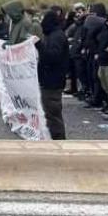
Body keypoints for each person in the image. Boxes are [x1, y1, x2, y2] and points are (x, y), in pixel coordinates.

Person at [37, 10, 69, 139]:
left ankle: (58, 138)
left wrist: (39, 46)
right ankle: (55, 135)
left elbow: (52, 57)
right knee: (50, 110)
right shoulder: (54, 35)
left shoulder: (56, 37)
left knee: (52, 111)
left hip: (52, 80)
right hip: (51, 78)